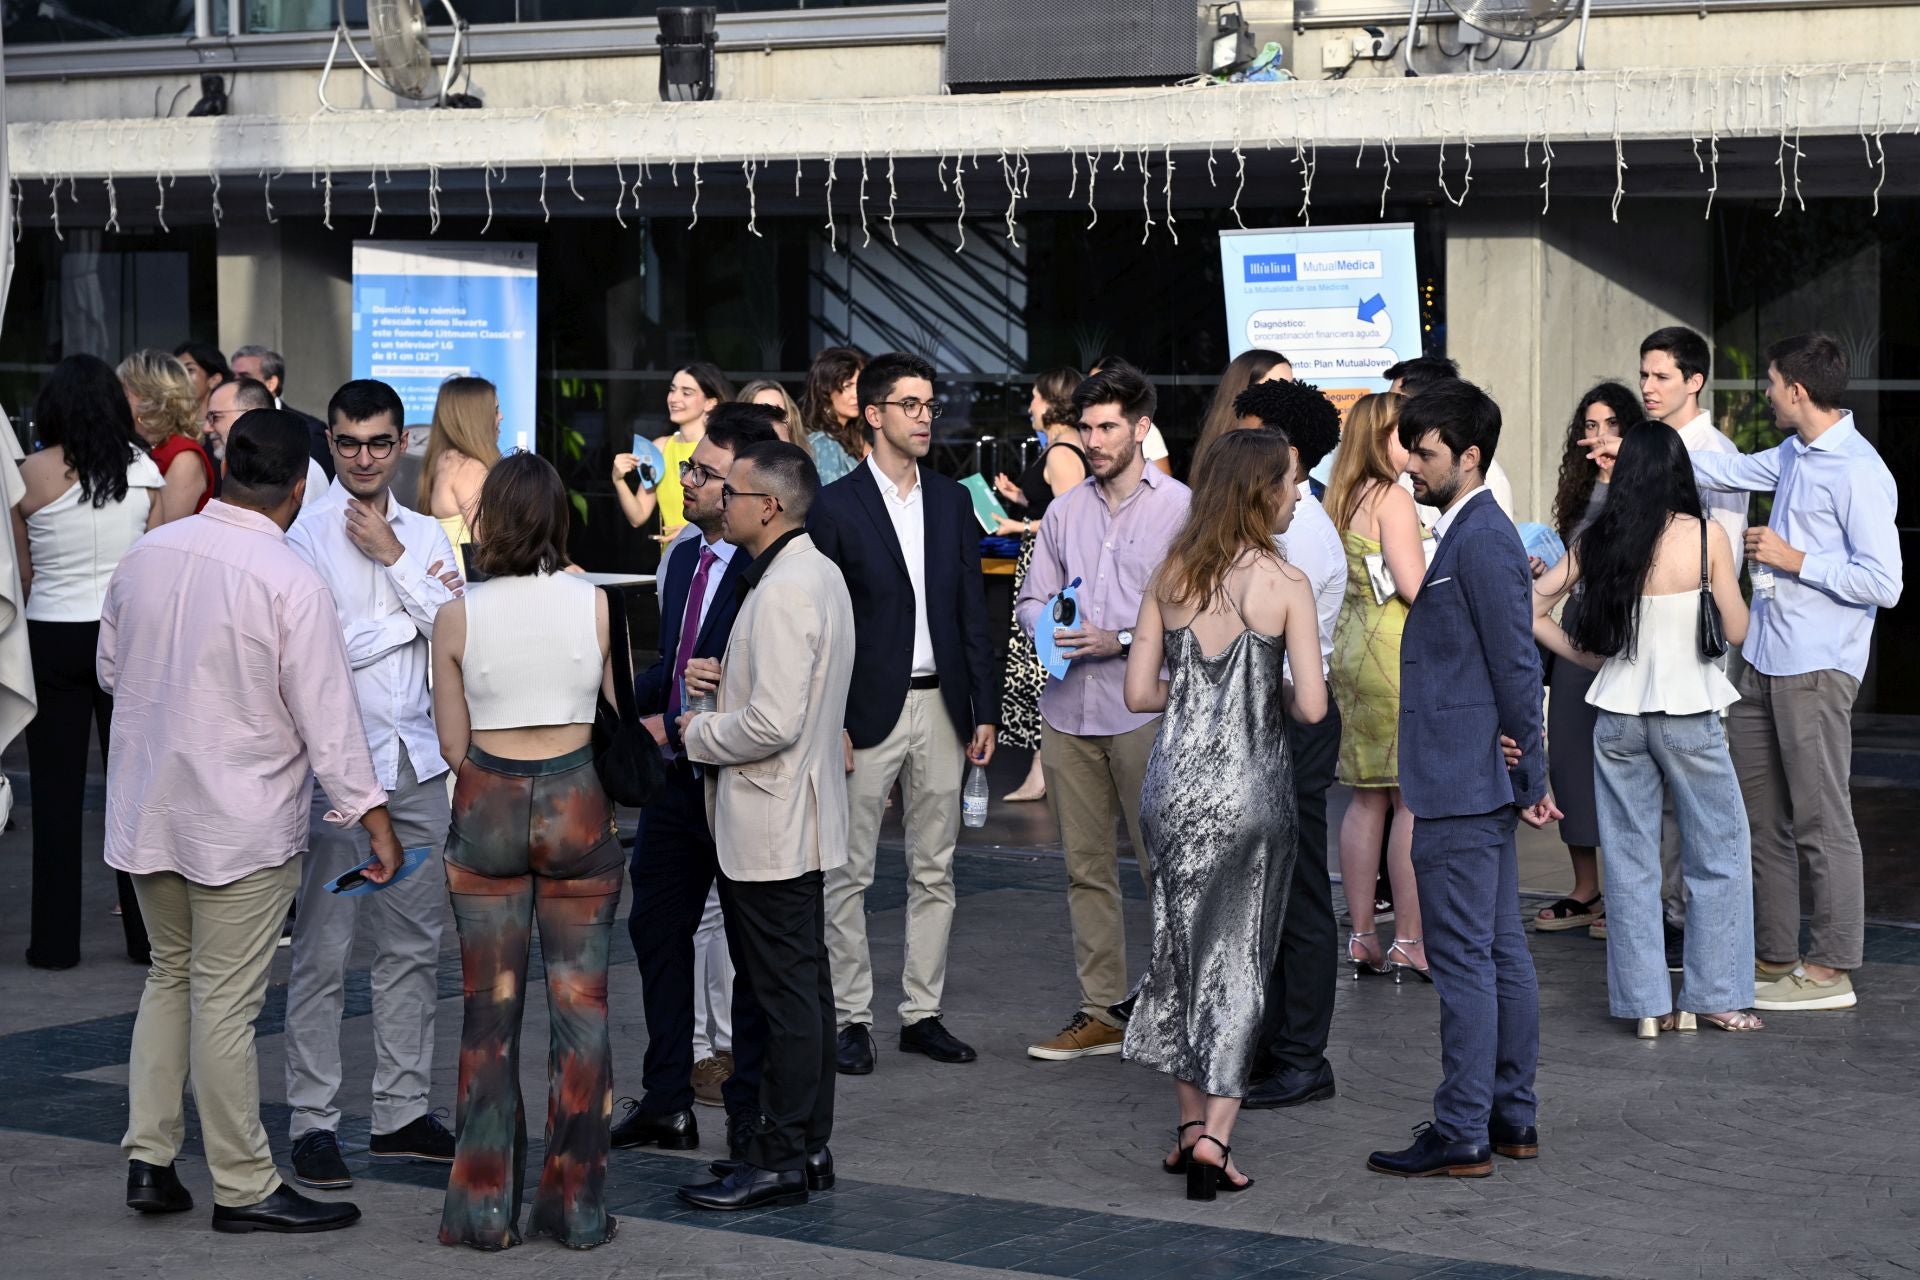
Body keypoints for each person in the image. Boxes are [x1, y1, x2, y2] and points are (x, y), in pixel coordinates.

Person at [102, 408, 398, 1234]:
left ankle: (152, 1161)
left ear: (226, 465)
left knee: (172, 977)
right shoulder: (289, 580)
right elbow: (328, 718)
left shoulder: (146, 554)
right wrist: (375, 819)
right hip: (239, 819)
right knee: (225, 1005)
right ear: (301, 489)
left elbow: (110, 667)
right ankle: (243, 1185)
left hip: (150, 804)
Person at [1594, 333, 1902, 1012]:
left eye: (1769, 383)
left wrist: (1798, 561)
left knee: (1822, 819)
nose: (1763, 393)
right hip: (1762, 656)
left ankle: (1830, 967)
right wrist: (1642, 461)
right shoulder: (1793, 453)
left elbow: (1886, 582)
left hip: (1817, 666)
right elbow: (1724, 474)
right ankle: (1776, 955)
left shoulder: (1858, 470)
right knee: (1759, 821)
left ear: (1796, 389)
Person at [1122, 427, 1327, 1200]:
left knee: (1177, 954)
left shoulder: (1171, 572)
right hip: (1254, 791)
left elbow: (1139, 694)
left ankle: (1185, 1131)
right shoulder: (1287, 583)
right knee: (1240, 962)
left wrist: (1197, 700)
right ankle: (1215, 1139)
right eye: (1292, 481)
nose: (1298, 493)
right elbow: (1310, 707)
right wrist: (1255, 692)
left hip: (1172, 789)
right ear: (1260, 491)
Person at [1367, 378, 1558, 1180]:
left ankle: (1463, 1130)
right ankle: (1509, 1117)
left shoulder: (1479, 537)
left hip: (1460, 782)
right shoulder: (1471, 531)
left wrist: (1533, 767)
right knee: (1500, 952)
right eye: (1410, 447)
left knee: (1467, 961)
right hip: (1473, 776)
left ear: (1469, 455)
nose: (1412, 463)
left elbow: (1518, 660)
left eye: (1427, 451)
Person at [430, 453, 622, 1250]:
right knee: (583, 1016)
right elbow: (611, 718)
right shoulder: (596, 605)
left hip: (490, 807)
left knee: (488, 1018)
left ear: (488, 522)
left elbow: (450, 744)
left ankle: (483, 1210)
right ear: (558, 520)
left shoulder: (457, 614)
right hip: (578, 803)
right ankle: (575, 1211)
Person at [281, 379, 464, 1190]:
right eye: (350, 442)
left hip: (416, 764)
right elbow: (315, 653)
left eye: (379, 442)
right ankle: (313, 1121)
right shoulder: (302, 537)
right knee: (321, 952)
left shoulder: (425, 534)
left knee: (413, 950)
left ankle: (398, 1114)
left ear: (403, 444)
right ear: (330, 442)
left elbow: (459, 636)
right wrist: (409, 613)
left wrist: (394, 564)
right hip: (334, 770)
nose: (364, 457)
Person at [1534, 423, 1760, 1038]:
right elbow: (1736, 631)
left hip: (1618, 717)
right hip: (1689, 714)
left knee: (1630, 863)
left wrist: (1587, 660)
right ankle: (1714, 996)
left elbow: (1532, 606)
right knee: (1718, 853)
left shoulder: (1599, 538)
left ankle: (1645, 1006)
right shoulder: (1706, 535)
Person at [675, 440, 855, 1211]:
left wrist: (696, 730)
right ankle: (803, 1146)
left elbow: (773, 722)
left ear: (769, 506)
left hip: (771, 817)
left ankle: (781, 1156)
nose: (722, 501)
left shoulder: (784, 587)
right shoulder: (812, 573)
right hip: (793, 813)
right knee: (803, 989)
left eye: (735, 492)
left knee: (787, 997)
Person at [810, 352, 1000, 1075]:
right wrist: (831, 719)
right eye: (912, 404)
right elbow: (823, 623)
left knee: (936, 869)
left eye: (930, 405)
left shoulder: (952, 501)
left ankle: (922, 1013)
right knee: (848, 873)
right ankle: (851, 1018)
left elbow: (969, 611)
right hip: (863, 711)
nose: (926, 416)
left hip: (943, 707)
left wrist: (981, 704)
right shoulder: (834, 505)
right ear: (875, 414)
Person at [612, 404, 779, 1157]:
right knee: (655, 929)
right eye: (690, 468)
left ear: (746, 486)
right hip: (677, 782)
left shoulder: (769, 567)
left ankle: (749, 1110)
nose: (688, 480)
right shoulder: (682, 556)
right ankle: (668, 1099)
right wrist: (615, 696)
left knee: (749, 946)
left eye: (706, 474)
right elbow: (672, 668)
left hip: (742, 777)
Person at [1016, 360, 1192, 1061]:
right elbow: (1031, 598)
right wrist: (1050, 624)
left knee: (1164, 867)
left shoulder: (1180, 507)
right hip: (1067, 711)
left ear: (1142, 428)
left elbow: (1196, 611)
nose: (1093, 439)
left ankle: (1178, 1008)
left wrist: (1116, 637)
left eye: (1107, 426)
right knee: (1084, 867)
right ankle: (1102, 1010)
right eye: (1086, 426)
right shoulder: (1064, 510)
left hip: (1142, 708)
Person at [1220, 380, 1350, 1112]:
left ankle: (1302, 1055)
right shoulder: (1285, 518)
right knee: (1271, 890)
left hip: (1291, 716)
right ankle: (1277, 1044)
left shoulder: (1295, 524)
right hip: (1276, 712)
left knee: (1298, 894)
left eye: (1252, 435)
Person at [15, 355, 164, 970]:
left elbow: (20, 571)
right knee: (133, 793)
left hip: (51, 633)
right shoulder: (145, 470)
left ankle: (53, 945)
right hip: (125, 637)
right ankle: (144, 939)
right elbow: (158, 562)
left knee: (53, 798)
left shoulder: (27, 474)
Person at [1323, 392, 1430, 980]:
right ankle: (1409, 939)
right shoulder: (1392, 496)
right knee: (1409, 800)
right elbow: (1414, 587)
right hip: (1394, 648)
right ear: (1379, 438)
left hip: (1350, 650)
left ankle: (1363, 933)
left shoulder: (1337, 496)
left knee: (1366, 798)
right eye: (1403, 434)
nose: (1413, 446)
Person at [1533, 383, 1642, 937]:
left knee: (1624, 764)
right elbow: (1567, 561)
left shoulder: (1643, 487)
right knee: (1571, 758)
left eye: (1610, 425)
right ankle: (1586, 889)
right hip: (1574, 631)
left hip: (1624, 630)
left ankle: (1624, 894)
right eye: (1591, 426)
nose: (1598, 437)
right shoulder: (1578, 490)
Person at [990, 368, 1087, 803]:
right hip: (1047, 567)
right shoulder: (1063, 449)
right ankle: (1040, 770)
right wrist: (1021, 497)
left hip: (1051, 574)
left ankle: (1041, 772)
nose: (1030, 405)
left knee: (1042, 669)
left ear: (1052, 402)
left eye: (1034, 397)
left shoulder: (1063, 452)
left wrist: (1019, 523)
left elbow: (1070, 521)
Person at [614, 363, 733, 539]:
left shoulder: (723, 449)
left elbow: (734, 511)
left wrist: (692, 532)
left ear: (710, 402)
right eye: (672, 390)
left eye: (686, 393)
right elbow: (637, 517)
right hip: (669, 558)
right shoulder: (659, 448)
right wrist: (618, 480)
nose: (674, 398)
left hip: (708, 557)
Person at [119, 349, 216, 522]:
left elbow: (162, 533)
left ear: (149, 397)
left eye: (124, 392)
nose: (117, 399)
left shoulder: (184, 456)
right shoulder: (133, 443)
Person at [418, 375, 502, 576]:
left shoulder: (446, 461)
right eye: (495, 410)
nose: (501, 417)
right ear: (476, 417)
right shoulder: (468, 469)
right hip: (467, 593)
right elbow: (493, 542)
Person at [205, 376, 328, 508]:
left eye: (215, 417)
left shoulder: (297, 467)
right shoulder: (242, 463)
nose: (206, 428)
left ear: (250, 414)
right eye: (207, 418)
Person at [231, 344, 334, 479]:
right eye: (232, 377)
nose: (234, 383)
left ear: (271, 383)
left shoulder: (309, 431)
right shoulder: (227, 425)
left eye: (244, 377)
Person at [1190, 349, 1291, 479]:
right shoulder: (1227, 454)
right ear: (1244, 391)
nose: (1287, 397)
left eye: (1291, 387)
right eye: (1275, 388)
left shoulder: (1289, 444)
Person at [1090, 354, 1173, 475]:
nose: (1093, 390)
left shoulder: (1144, 431)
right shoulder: (1085, 426)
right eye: (1090, 384)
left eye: (1102, 385)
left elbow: (1164, 486)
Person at [800, 347, 867, 484]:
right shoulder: (823, 444)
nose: (856, 394)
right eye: (848, 386)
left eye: (859, 385)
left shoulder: (848, 437)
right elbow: (835, 501)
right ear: (825, 390)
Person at [737, 379, 814, 459]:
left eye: (778, 412)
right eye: (761, 413)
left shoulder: (808, 458)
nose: (771, 420)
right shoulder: (729, 465)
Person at [171, 340, 231, 423]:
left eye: (189, 370)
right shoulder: (171, 424)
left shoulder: (231, 425)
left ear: (214, 380)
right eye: (178, 371)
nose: (181, 377)